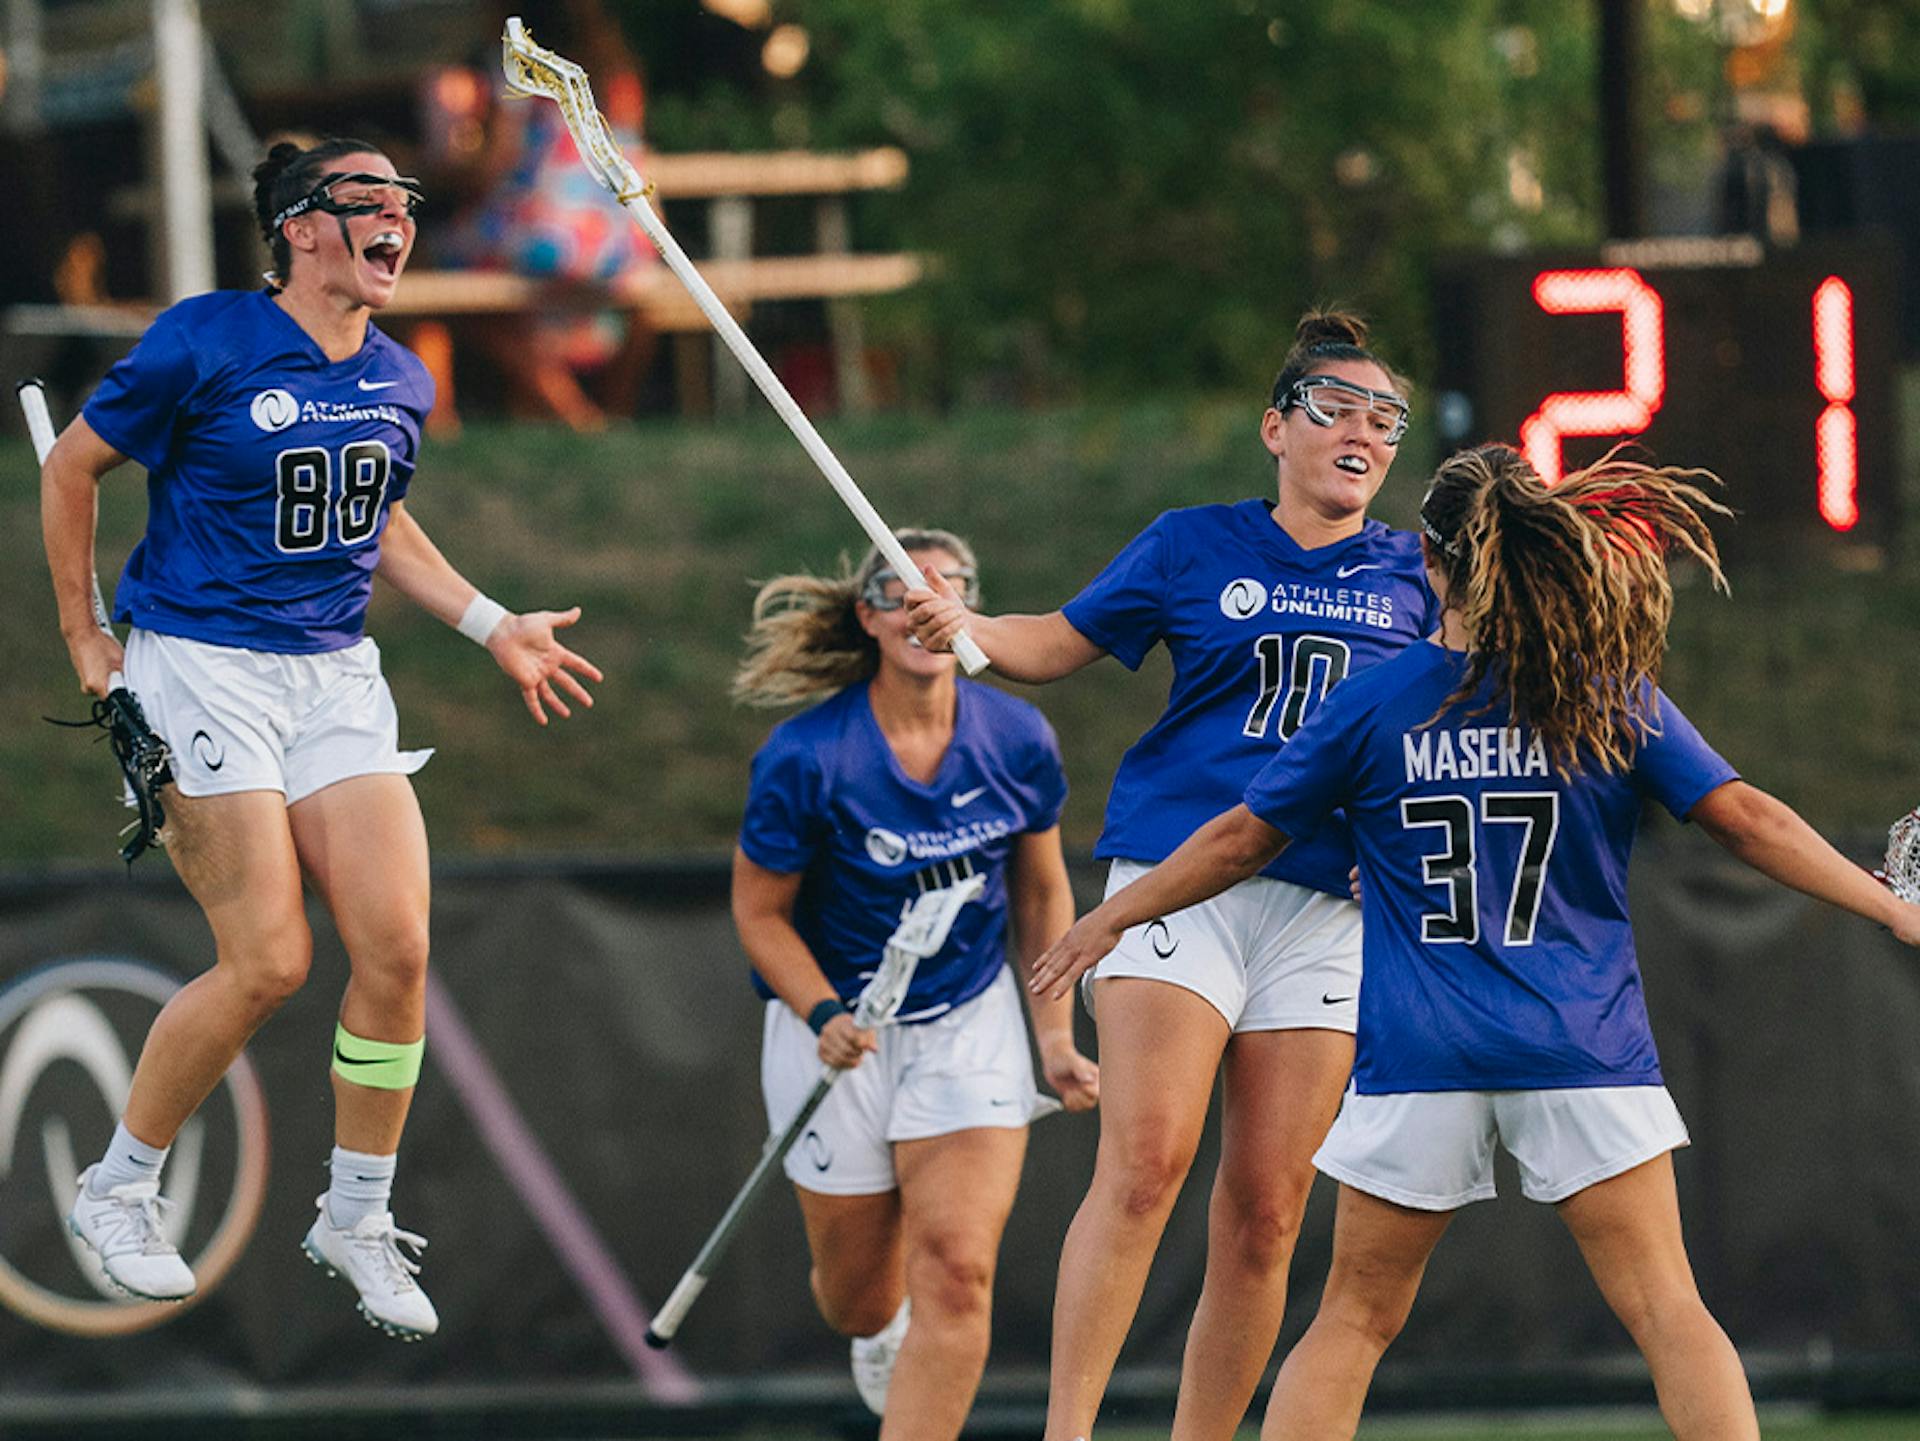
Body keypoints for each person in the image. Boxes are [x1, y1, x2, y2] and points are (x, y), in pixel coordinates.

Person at [1032, 443, 1920, 1441]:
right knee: (1670, 1311)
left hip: (1425, 1058)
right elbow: (1750, 819)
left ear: (1431, 564)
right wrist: (1889, 905)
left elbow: (1240, 840)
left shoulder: (1372, 701)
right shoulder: (1599, 690)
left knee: (1353, 1323)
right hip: (1581, 1051)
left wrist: (1114, 912)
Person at [40, 136, 602, 1338]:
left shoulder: (403, 377)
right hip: (198, 663)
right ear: (300, 226)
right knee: (271, 961)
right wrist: (89, 639)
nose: (398, 218)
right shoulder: (205, 340)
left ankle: (356, 1210)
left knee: (396, 949)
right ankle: (119, 1185)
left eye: (405, 200)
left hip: (334, 674)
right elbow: (72, 470)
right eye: (367, 200)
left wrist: (491, 623)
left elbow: (376, 521)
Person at [906, 313, 1441, 1440]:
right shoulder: (1192, 544)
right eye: (1334, 408)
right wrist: (969, 626)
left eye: (1383, 418)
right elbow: (1051, 643)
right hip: (1179, 885)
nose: (1362, 431)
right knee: (1149, 1161)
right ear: (1275, 429)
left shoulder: (1420, 574)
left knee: (1269, 1214)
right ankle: (1070, 1430)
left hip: (1332, 909)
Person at [732, 529, 1099, 1433]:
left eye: (946, 588)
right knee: (858, 1298)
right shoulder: (806, 755)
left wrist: (1053, 1037)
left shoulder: (1016, 738)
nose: (919, 604)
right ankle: (879, 1328)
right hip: (836, 1030)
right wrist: (819, 1010)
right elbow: (759, 915)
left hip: (966, 1021)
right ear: (870, 615)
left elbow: (1042, 887)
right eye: (897, 591)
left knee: (957, 1269)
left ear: (966, 607)